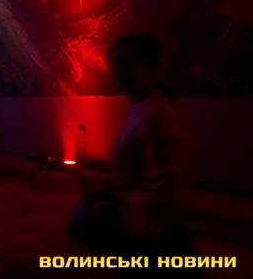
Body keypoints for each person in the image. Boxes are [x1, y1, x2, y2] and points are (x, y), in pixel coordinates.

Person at [68, 34, 199, 276]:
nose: (117, 69)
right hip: (145, 230)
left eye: (128, 62)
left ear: (153, 67)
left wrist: (111, 195)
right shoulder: (141, 107)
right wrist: (111, 187)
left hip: (154, 239)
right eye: (114, 62)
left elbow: (165, 196)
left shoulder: (155, 114)